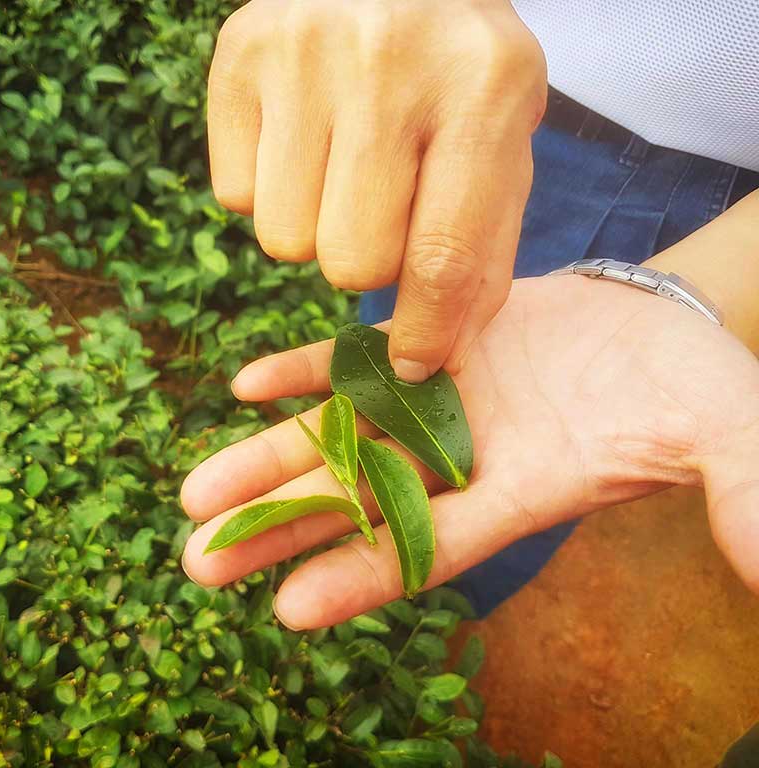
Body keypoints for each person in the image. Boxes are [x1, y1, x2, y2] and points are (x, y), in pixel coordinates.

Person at [180, 0, 759, 627]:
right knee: (418, 338)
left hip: (729, 185)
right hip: (477, 87)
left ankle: (433, 620)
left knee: (524, 466)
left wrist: (723, 276)